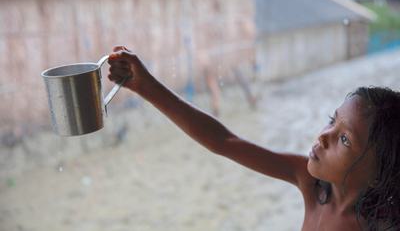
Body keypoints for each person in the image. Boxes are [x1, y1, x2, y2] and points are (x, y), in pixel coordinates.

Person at [107, 46, 400, 231]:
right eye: (331, 122)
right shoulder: (311, 185)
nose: (323, 137)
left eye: (344, 140)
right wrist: (145, 87)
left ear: (380, 173)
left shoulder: (380, 226)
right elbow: (223, 142)